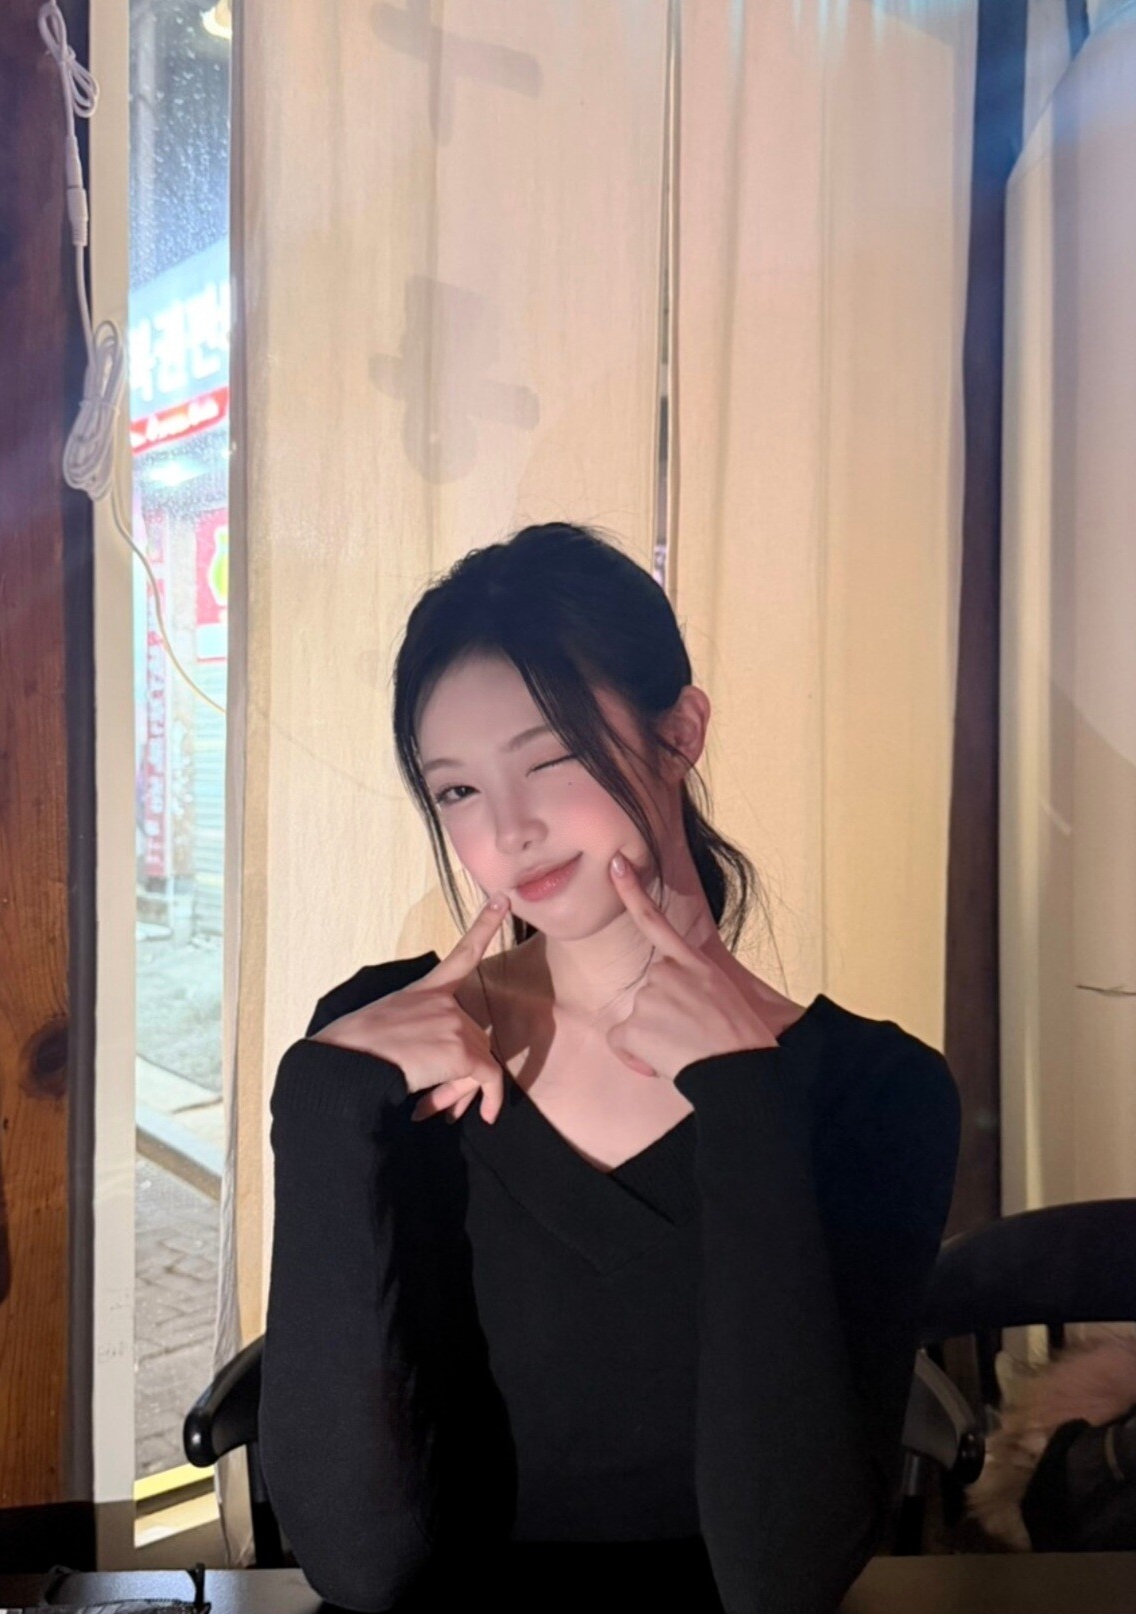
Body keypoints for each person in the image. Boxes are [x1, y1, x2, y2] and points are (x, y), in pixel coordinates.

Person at [258, 522, 962, 1613]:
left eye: (549, 760)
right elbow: (356, 1561)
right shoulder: (378, 1052)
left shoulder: (877, 1093)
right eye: (457, 793)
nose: (509, 831)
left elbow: (784, 1572)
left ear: (678, 733)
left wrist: (743, 1101)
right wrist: (318, 1098)